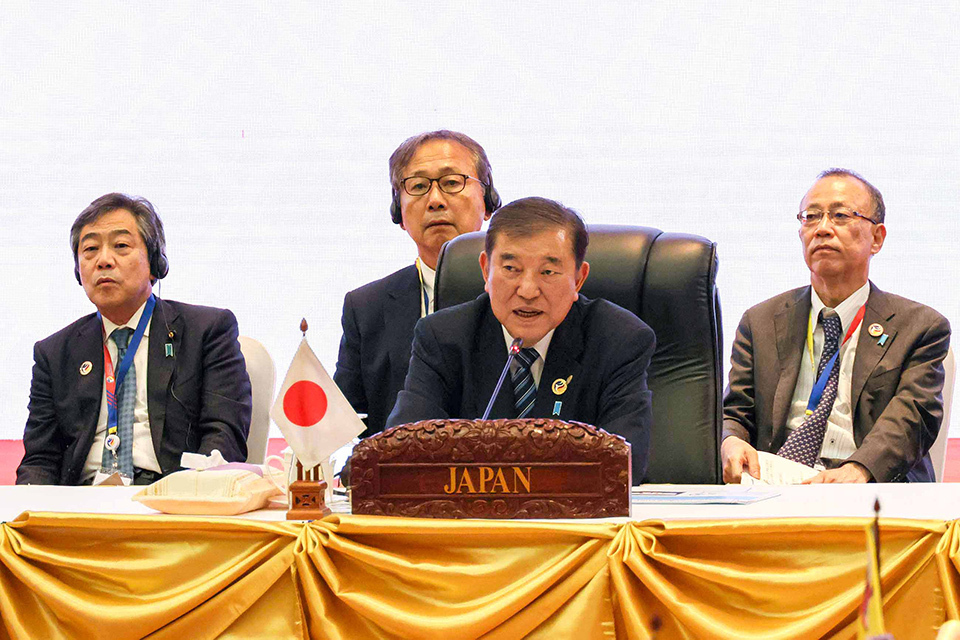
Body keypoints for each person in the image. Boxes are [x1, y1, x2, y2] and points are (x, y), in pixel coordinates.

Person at [386, 196, 655, 481]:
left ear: (578, 279)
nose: (527, 290)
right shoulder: (443, 338)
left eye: (548, 272)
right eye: (511, 269)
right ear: (485, 271)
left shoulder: (617, 339)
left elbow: (622, 463)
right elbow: (401, 452)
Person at [722, 169, 951, 483]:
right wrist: (730, 440)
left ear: (877, 238)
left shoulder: (920, 327)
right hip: (773, 485)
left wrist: (859, 471)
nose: (823, 229)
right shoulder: (760, 321)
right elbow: (735, 412)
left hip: (869, 485)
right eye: (811, 217)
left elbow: (912, 419)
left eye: (841, 215)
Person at [17, 193, 252, 485]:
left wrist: (187, 498)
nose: (103, 260)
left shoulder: (207, 331)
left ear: (154, 262)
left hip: (169, 501)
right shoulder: (54, 353)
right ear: (79, 270)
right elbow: (40, 459)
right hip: (80, 505)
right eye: (90, 249)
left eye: (121, 246)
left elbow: (223, 436)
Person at [334, 130, 501, 437]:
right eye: (419, 186)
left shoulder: (528, 296)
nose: (435, 200)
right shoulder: (366, 308)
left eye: (452, 183)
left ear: (488, 203)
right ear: (399, 211)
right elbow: (345, 431)